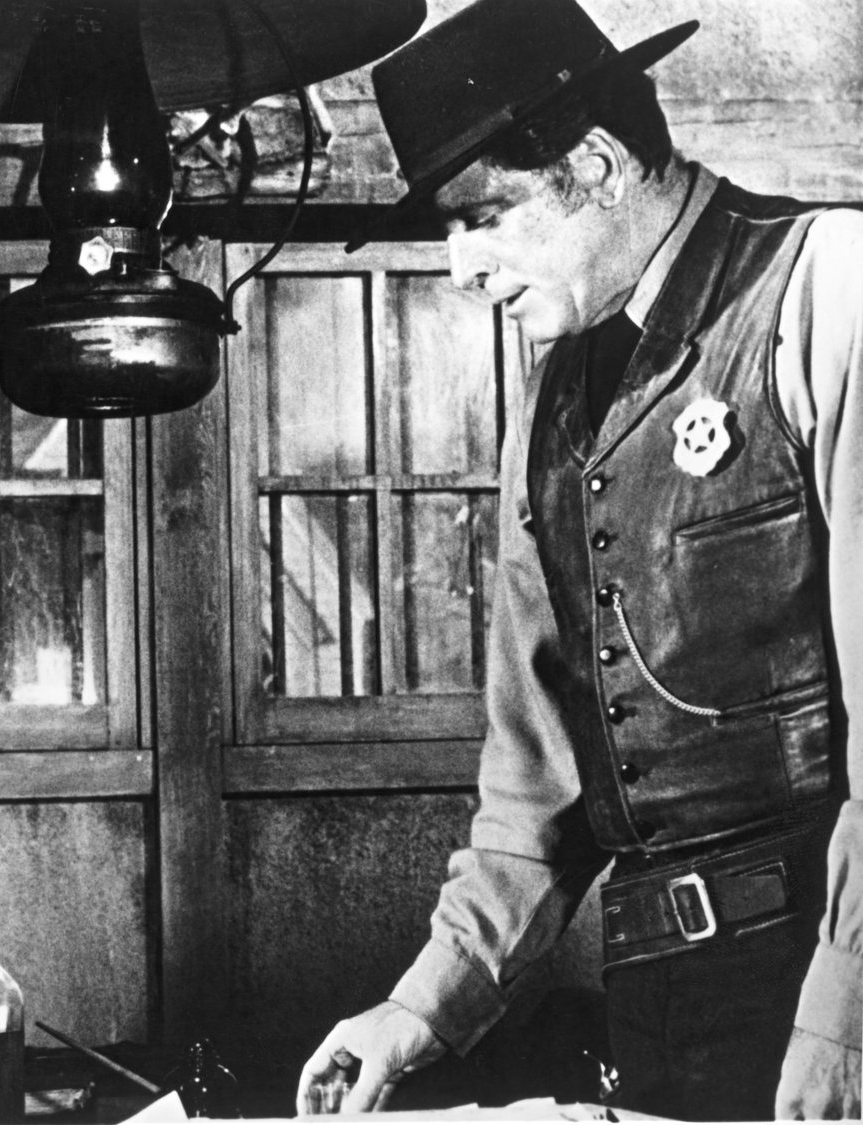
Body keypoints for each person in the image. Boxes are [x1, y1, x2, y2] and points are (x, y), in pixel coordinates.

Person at [294, 0, 863, 1119]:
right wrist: (421, 1007)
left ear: (596, 165)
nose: (460, 269)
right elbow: (536, 783)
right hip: (659, 1000)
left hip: (826, 982)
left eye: (483, 217)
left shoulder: (829, 288)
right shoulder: (552, 404)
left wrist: (846, 1014)